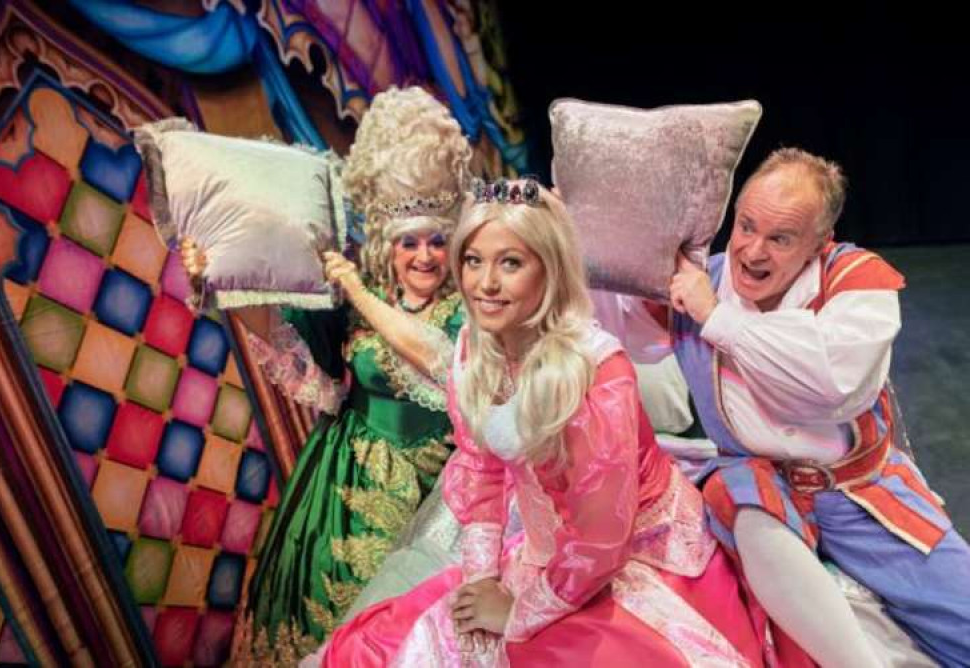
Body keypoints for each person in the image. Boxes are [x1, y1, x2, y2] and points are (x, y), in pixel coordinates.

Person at [302, 180, 770, 667]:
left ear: (548, 271)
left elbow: (600, 541)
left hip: (630, 557)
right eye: (473, 260)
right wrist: (482, 576)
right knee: (387, 648)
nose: (485, 284)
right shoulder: (474, 350)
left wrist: (519, 610)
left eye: (510, 263)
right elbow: (481, 470)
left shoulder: (596, 374)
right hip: (548, 555)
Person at [615, 147, 970, 667]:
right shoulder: (700, 280)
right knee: (742, 486)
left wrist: (717, 318)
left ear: (818, 244)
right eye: (746, 227)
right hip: (759, 494)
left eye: (780, 238)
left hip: (858, 494)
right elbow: (619, 325)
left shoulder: (856, 282)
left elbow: (831, 384)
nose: (753, 252)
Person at [183, 86, 472, 661]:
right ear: (387, 243)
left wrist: (360, 293)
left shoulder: (468, 306)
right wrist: (220, 280)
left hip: (438, 498)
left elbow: (440, 362)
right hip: (335, 484)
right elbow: (286, 337)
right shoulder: (357, 298)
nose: (423, 257)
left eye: (437, 241)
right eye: (407, 242)